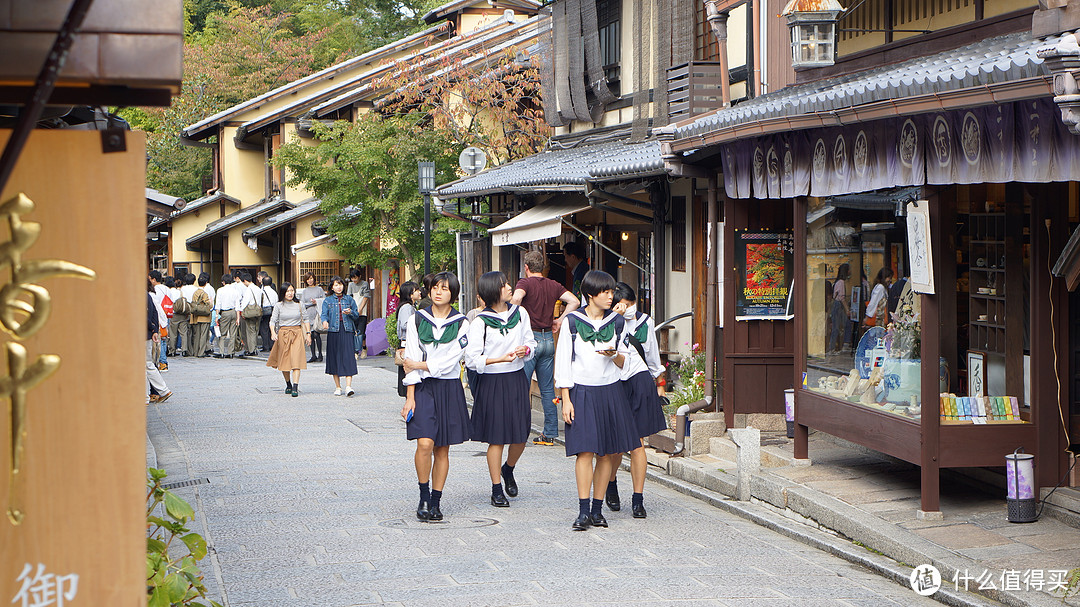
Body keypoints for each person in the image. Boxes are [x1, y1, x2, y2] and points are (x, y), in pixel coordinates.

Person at [554, 270, 640, 531]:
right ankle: (582, 511)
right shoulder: (572, 322)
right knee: (585, 451)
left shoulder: (617, 323)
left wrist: (614, 355)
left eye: (611, 291)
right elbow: (563, 363)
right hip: (581, 391)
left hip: (610, 390)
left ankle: (597, 509)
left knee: (607, 453)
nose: (610, 296)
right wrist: (565, 399)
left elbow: (626, 359)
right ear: (590, 294)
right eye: (605, 292)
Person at [400, 271, 470, 522]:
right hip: (422, 388)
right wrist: (410, 396)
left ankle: (437, 501)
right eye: (435, 288)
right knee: (424, 443)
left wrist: (419, 365)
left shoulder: (462, 323)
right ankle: (423, 496)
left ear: (453, 293)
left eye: (445, 288)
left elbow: (450, 359)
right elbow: (409, 358)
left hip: (449, 387)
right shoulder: (417, 320)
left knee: (442, 449)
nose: (438, 292)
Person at [464, 271, 536, 508]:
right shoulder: (480, 322)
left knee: (521, 433)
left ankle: (509, 468)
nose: (509, 287)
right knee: (496, 438)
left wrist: (526, 350)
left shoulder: (520, 313)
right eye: (504, 285)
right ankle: (496, 488)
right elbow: (472, 359)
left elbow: (531, 342)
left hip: (516, 378)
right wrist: (499, 359)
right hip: (492, 382)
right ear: (493, 290)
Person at [606, 282, 666, 519]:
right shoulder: (606, 323)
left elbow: (652, 354)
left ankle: (638, 499)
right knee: (617, 443)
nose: (629, 308)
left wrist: (658, 382)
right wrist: (614, 317)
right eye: (624, 304)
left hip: (639, 380)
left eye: (632, 304)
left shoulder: (645, 322)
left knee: (637, 441)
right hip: (614, 382)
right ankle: (611, 483)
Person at [511, 250, 580, 446]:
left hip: (529, 340)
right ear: (543, 267)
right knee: (548, 388)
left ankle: (519, 430)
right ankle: (550, 432)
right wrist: (560, 319)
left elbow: (516, 299)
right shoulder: (553, 284)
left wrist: (514, 319)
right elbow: (574, 301)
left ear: (526, 268)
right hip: (548, 339)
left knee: (521, 386)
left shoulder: (524, 283)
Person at [267, 282, 312, 397]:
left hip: (297, 333)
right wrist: (273, 333)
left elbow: (306, 319)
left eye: (292, 290)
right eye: (287, 291)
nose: (290, 293)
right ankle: (288, 384)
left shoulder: (299, 304)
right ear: (283, 292)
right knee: (285, 361)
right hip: (283, 334)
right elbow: (273, 321)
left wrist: (308, 334)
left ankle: (295, 386)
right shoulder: (279, 305)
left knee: (296, 359)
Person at [320, 275, 359, 395]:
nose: (339, 287)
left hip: (347, 330)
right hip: (333, 331)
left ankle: (348, 386)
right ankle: (338, 387)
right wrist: (325, 321)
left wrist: (351, 312)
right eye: (336, 285)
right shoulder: (328, 300)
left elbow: (357, 315)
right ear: (332, 287)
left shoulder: (349, 299)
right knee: (334, 357)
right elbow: (324, 314)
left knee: (348, 357)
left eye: (340, 284)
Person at [395, 281, 421, 398]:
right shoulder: (406, 307)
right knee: (408, 369)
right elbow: (405, 325)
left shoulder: (410, 306)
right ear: (410, 294)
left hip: (408, 342)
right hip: (406, 342)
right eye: (417, 290)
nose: (419, 292)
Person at [146, 287, 172, 404]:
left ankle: (163, 390)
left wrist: (152, 328)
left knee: (146, 364)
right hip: (147, 333)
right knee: (145, 365)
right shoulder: (147, 295)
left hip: (141, 333)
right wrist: (155, 329)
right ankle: (146, 396)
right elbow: (155, 313)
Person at [214, 273, 241, 358]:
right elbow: (237, 306)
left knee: (223, 334)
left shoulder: (220, 290)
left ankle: (222, 352)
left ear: (223, 282)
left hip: (224, 312)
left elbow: (218, 304)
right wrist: (238, 318)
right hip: (233, 312)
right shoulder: (235, 291)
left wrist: (216, 316)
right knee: (233, 333)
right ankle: (230, 352)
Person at [300, 272, 325, 363]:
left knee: (316, 334)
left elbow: (324, 300)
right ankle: (313, 354)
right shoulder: (305, 291)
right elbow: (302, 303)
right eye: (308, 279)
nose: (310, 280)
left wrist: (316, 301)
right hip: (308, 314)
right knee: (310, 334)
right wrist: (310, 303)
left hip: (316, 313)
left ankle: (320, 354)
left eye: (311, 278)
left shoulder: (319, 289)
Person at [828, 263, 852, 354]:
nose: (850, 272)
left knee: (838, 326)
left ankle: (834, 347)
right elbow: (841, 298)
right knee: (840, 326)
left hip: (837, 305)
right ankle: (835, 347)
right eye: (849, 270)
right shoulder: (841, 282)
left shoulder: (837, 282)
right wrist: (847, 309)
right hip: (839, 306)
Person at [348, 269, 371, 359]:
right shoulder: (350, 285)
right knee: (354, 331)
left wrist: (360, 309)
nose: (354, 280)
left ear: (359, 276)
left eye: (355, 278)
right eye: (352, 278)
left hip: (362, 312)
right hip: (353, 311)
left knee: (361, 331)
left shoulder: (364, 284)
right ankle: (355, 351)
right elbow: (349, 297)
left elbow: (366, 297)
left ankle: (364, 348)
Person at [188, 275, 214, 358]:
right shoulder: (204, 293)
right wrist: (211, 302)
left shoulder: (195, 293)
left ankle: (195, 352)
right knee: (203, 335)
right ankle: (201, 352)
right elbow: (209, 306)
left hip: (196, 316)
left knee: (196, 335)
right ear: (206, 283)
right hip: (204, 317)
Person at [149, 271, 170, 371]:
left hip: (158, 317)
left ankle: (162, 362)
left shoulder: (154, 290)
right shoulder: (166, 288)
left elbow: (155, 305)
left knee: (158, 341)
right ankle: (164, 361)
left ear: (153, 279)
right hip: (166, 315)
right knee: (164, 340)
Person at [237, 273, 261, 357]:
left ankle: (251, 350)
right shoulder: (258, 288)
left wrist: (242, 312)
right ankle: (254, 348)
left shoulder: (249, 290)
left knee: (250, 331)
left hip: (250, 312)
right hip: (258, 312)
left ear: (246, 281)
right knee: (255, 331)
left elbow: (244, 303)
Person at [258, 275, 279, 353]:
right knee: (272, 328)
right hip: (273, 311)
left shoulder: (261, 291)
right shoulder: (274, 292)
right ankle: (271, 345)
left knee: (264, 329)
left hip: (265, 311)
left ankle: (265, 346)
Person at [165, 276, 184, 356]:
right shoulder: (179, 292)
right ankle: (180, 348)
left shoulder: (167, 292)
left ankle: (171, 349)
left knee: (171, 333)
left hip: (170, 313)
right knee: (181, 332)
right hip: (179, 312)